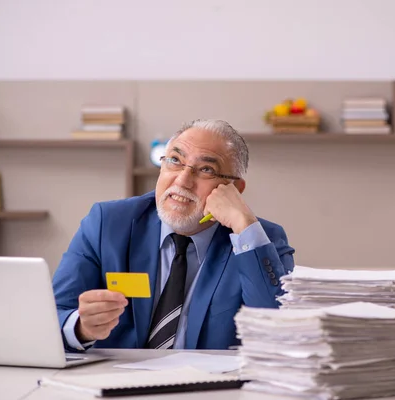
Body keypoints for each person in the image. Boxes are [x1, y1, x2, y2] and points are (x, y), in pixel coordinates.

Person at [52, 119, 295, 352]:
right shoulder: (109, 223)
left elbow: (277, 335)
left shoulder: (259, 240)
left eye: (206, 169)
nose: (182, 180)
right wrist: (82, 328)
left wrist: (244, 223)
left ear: (233, 189)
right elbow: (53, 314)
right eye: (175, 160)